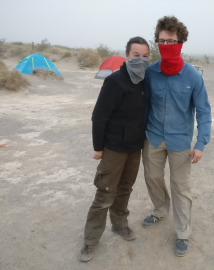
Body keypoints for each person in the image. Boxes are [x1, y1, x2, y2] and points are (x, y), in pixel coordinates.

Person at [142, 16, 212, 257]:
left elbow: (204, 111)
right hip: (152, 137)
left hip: (180, 140)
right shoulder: (150, 72)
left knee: (181, 187)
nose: (166, 45)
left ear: (181, 42)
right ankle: (160, 209)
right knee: (152, 177)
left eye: (171, 41)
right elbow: (142, 104)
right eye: (162, 41)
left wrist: (200, 142)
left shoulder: (193, 76)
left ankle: (183, 233)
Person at [78, 37, 150, 262]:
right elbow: (99, 116)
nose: (141, 60)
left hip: (134, 148)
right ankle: (90, 241)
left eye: (145, 56)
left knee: (125, 189)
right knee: (105, 192)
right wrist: (98, 147)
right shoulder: (115, 81)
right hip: (114, 148)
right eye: (136, 55)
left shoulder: (146, 81)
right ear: (127, 56)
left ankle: (120, 225)